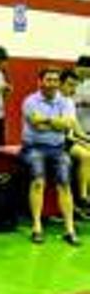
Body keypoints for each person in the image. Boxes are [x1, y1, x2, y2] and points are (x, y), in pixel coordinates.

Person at [21, 67, 80, 245]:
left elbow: (67, 125)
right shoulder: (30, 101)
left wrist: (46, 120)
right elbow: (37, 126)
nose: (52, 84)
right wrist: (57, 123)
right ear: (40, 82)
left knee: (64, 184)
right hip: (33, 148)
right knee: (38, 181)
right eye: (48, 80)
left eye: (55, 80)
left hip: (58, 148)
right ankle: (37, 227)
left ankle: (69, 230)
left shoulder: (67, 101)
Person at [60, 68, 90, 217]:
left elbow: (76, 128)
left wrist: (86, 139)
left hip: (69, 140)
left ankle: (83, 199)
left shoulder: (70, 102)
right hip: (58, 142)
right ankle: (83, 198)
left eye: (74, 86)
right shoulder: (56, 101)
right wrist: (82, 142)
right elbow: (65, 133)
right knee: (85, 155)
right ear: (60, 84)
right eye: (70, 85)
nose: (72, 89)